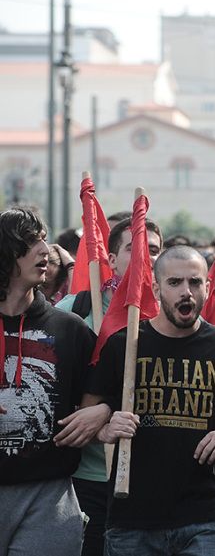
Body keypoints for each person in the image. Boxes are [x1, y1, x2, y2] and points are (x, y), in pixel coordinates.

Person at [87, 246, 215, 555]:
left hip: (203, 519)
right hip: (131, 519)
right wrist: (105, 429)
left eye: (195, 282)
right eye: (175, 282)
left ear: (206, 286)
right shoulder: (125, 344)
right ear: (156, 287)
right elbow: (88, 412)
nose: (186, 292)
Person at [54, 216, 164, 556]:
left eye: (155, 250)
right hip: (89, 476)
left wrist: (106, 411)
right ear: (111, 260)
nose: (147, 257)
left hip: (153, 478)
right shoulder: (75, 310)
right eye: (135, 248)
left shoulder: (175, 314)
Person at [0, 208, 97, 555]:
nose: (46, 251)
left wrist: (101, 412)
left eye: (44, 240)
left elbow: (101, 395)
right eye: (31, 241)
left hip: (49, 497)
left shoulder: (71, 329)